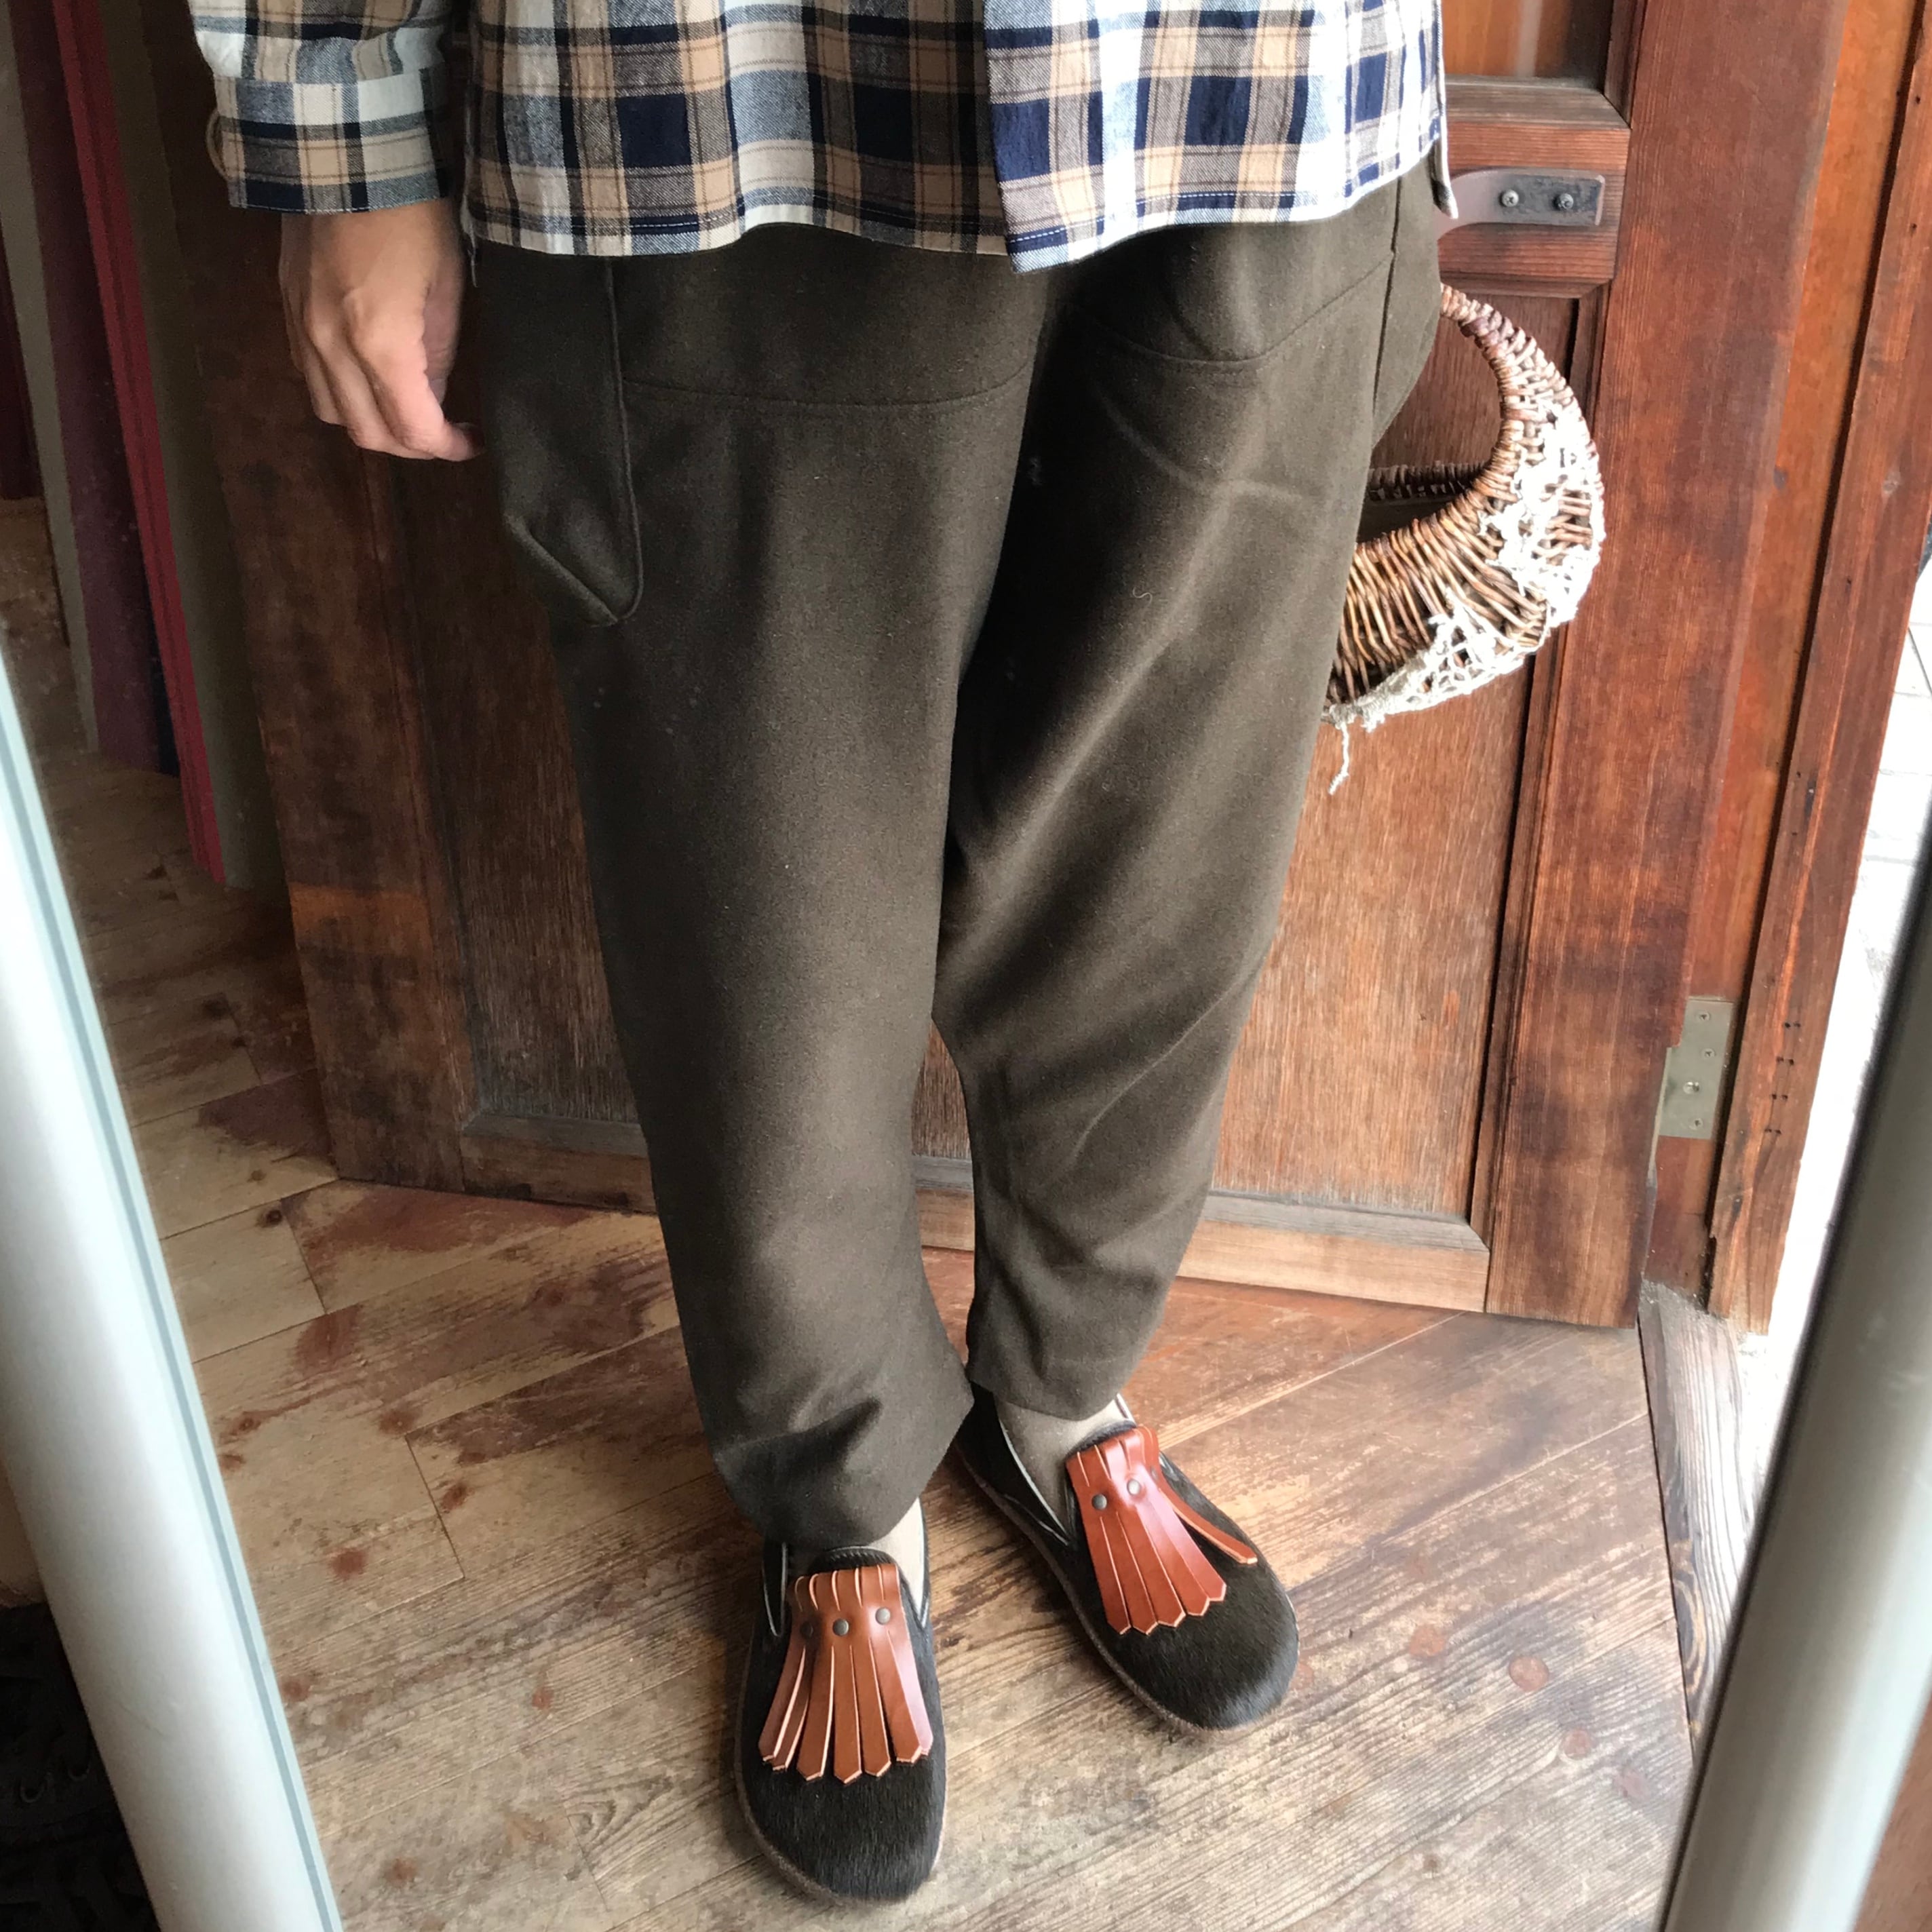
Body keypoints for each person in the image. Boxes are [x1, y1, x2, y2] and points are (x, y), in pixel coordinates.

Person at [193, 0, 1448, 1899]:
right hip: (727, 97)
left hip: (1264, 82)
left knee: (1168, 845)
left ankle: (1064, 1389)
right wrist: (342, 120)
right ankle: (840, 1486)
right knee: (756, 907)